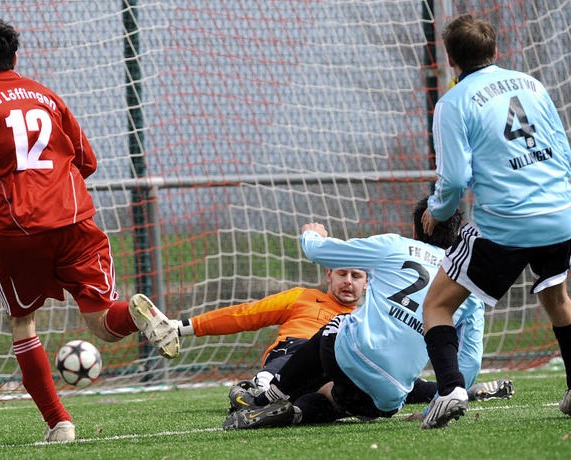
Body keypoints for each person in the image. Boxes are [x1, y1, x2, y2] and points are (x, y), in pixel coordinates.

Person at [0, 18, 180, 442]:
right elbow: (87, 160)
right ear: (15, 56)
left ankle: (60, 423)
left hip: (19, 231)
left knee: (23, 324)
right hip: (75, 220)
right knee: (104, 324)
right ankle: (138, 312)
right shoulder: (46, 96)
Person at [419, 14, 571, 429]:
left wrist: (438, 211)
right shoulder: (533, 84)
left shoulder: (452, 102)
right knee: (557, 297)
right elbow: (562, 148)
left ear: (450, 59)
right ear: (496, 51)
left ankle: (450, 389)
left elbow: (452, 179)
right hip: (559, 214)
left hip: (505, 223)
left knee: (436, 304)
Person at [221, 197, 489, 430]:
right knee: (336, 399)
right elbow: (469, 363)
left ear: (418, 228)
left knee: (337, 326)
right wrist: (434, 408)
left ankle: (264, 400)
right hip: (389, 398)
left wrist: (311, 234)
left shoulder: (394, 246)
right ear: (458, 233)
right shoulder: (468, 285)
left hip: (351, 354)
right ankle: (297, 414)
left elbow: (317, 251)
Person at [142, 268, 512, 410]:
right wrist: (183, 327)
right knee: (302, 358)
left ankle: (458, 389)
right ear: (328, 277)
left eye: (357, 276)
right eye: (341, 274)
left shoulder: (375, 313)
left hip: (346, 367)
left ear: (370, 283)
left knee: (389, 380)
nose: (348, 282)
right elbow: (245, 314)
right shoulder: (303, 298)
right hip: (295, 355)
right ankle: (264, 386)